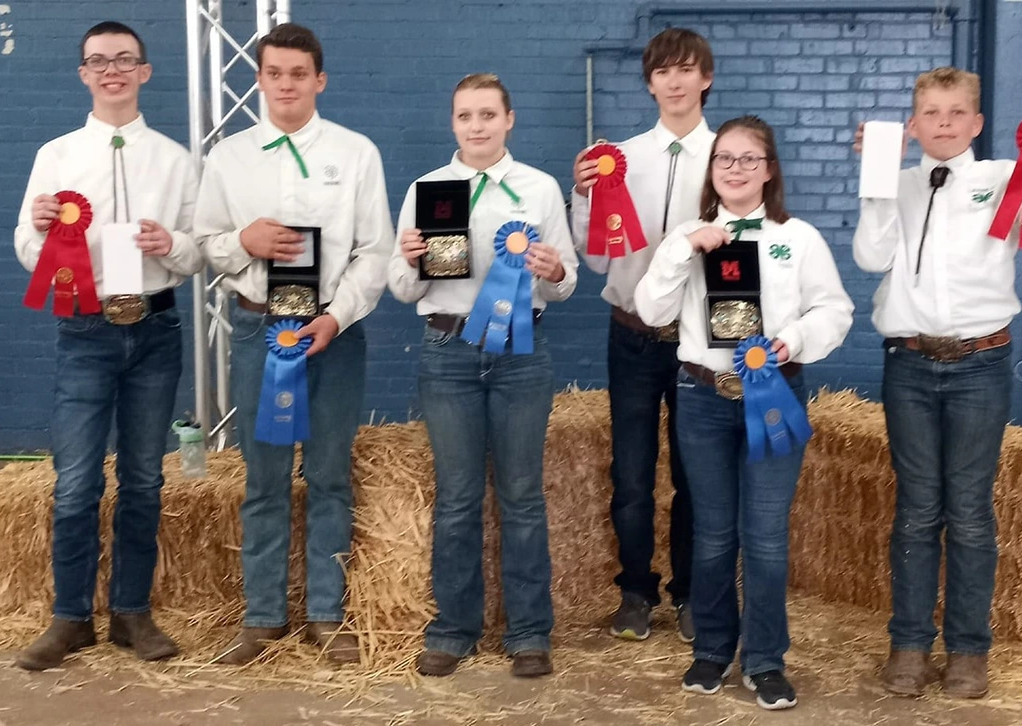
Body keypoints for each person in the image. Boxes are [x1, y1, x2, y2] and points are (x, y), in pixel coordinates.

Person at [852, 69, 1022, 699]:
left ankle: (966, 651)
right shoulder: (897, 184)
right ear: (913, 124)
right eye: (930, 113)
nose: (945, 123)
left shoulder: (1005, 178)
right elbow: (872, 258)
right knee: (916, 511)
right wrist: (876, 181)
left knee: (970, 511)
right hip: (908, 364)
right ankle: (908, 643)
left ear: (978, 123)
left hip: (980, 364)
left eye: (957, 113)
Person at [635, 116, 853, 708]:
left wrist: (796, 341)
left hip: (773, 397)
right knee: (711, 536)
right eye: (725, 159)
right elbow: (650, 308)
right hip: (702, 398)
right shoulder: (690, 237)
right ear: (712, 171)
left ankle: (764, 661)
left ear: (769, 169)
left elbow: (835, 310)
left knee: (764, 537)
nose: (736, 169)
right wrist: (682, 248)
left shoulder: (799, 238)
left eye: (749, 159)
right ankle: (710, 650)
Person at [193, 22, 393, 665]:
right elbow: (204, 245)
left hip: (333, 334)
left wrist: (336, 316)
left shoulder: (357, 152)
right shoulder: (228, 157)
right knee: (265, 479)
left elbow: (376, 251)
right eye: (274, 73)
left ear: (319, 81)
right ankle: (262, 618)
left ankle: (327, 615)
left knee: (331, 476)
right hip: (259, 329)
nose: (286, 85)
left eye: (298, 74)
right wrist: (240, 242)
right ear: (259, 80)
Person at [14, 21, 202, 670]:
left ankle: (130, 613)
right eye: (99, 61)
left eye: (124, 59)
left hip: (155, 328)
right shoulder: (57, 156)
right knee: (74, 483)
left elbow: (197, 250)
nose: (112, 70)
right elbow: (26, 249)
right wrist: (40, 229)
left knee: (145, 479)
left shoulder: (176, 160)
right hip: (84, 331)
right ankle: (70, 618)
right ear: (84, 75)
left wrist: (168, 246)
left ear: (145, 72)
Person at [388, 73, 578, 679]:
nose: (477, 126)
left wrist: (551, 269)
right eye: (466, 116)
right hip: (447, 350)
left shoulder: (540, 188)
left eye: (488, 115)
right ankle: (452, 630)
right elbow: (400, 287)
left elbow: (567, 280)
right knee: (458, 497)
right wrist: (412, 261)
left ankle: (528, 634)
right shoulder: (428, 188)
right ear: (453, 124)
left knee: (522, 495)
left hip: (521, 354)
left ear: (509, 119)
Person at [569, 28, 716, 643]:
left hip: (696, 341)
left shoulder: (728, 158)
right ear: (650, 82)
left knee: (693, 475)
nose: (675, 82)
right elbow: (597, 260)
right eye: (663, 72)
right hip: (630, 334)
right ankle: (635, 591)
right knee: (630, 474)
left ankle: (689, 593)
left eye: (687, 70)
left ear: (706, 78)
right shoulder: (618, 159)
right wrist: (582, 200)